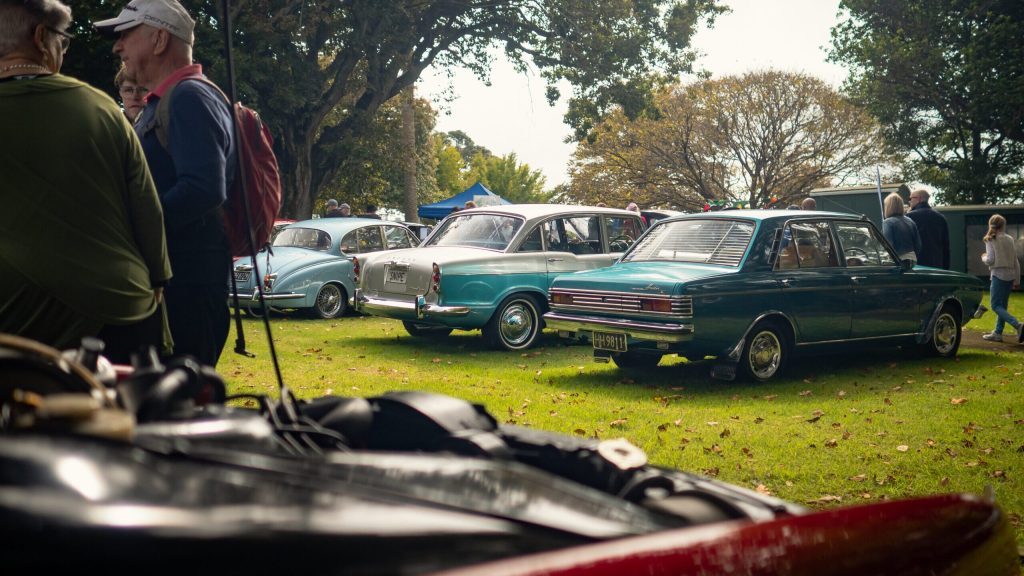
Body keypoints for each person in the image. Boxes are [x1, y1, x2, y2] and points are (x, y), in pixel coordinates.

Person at [0, 0, 172, 361]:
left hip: (12, 319)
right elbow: (146, 209)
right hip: (116, 311)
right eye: (63, 40)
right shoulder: (101, 109)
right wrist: (157, 281)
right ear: (40, 37)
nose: (63, 50)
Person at [96, 0, 236, 367]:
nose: (117, 46)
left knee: (179, 407)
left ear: (159, 39)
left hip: (186, 289)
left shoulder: (190, 96)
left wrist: (130, 230)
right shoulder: (169, 100)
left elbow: (204, 188)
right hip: (178, 283)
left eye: (126, 34)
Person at [980, 214, 1022, 343]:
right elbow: (1015, 260)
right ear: (1003, 225)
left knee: (995, 305)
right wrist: (1017, 279)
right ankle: (998, 332)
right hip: (1010, 276)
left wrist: (983, 257)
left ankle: (1018, 325)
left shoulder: (990, 239)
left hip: (998, 275)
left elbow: (991, 260)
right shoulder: (1009, 239)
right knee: (1002, 306)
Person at [905, 189, 950, 269]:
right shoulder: (941, 218)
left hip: (917, 266)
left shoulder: (909, 217)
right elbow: (945, 247)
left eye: (910, 199)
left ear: (918, 199)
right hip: (937, 265)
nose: (909, 202)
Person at [881, 193, 921, 264]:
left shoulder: (888, 222)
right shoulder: (910, 221)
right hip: (912, 259)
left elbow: (888, 246)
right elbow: (918, 245)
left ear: (888, 206)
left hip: (897, 260)